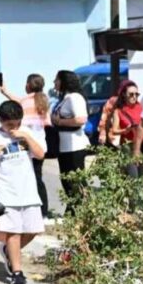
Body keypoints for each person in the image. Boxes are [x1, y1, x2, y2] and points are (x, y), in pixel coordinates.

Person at [0, 101, 45, 284]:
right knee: (13, 232)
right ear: (1, 121)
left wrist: (24, 136)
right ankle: (17, 274)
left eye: (17, 124)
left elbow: (40, 154)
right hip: (6, 192)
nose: (13, 129)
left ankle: (9, 251)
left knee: (33, 230)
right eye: (10, 125)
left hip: (28, 191)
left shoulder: (25, 133)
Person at [0, 74, 50, 216]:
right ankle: (44, 211)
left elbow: (17, 103)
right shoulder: (43, 101)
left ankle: (34, 209)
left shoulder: (25, 102)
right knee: (38, 179)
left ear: (28, 85)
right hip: (40, 145)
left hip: (28, 145)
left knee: (30, 179)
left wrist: (4, 91)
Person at [51, 69, 89, 213]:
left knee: (76, 181)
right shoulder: (64, 98)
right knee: (67, 181)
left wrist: (60, 122)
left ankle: (81, 211)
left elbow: (81, 119)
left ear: (64, 81)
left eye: (57, 79)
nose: (54, 83)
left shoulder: (75, 98)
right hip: (64, 147)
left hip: (75, 146)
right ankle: (73, 209)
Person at [109, 80, 143, 175]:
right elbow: (114, 130)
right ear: (123, 95)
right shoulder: (118, 111)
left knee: (140, 176)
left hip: (142, 145)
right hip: (127, 146)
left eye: (136, 94)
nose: (134, 97)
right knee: (133, 176)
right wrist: (125, 130)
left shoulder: (141, 107)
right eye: (131, 94)